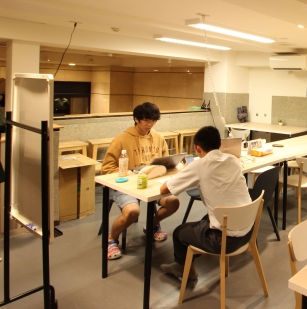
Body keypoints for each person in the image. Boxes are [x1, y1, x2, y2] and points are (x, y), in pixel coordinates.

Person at [159, 125, 252, 280]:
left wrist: (187, 170)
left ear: (197, 148)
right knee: (205, 219)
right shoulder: (233, 160)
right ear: (220, 144)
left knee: (179, 232)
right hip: (248, 231)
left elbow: (164, 189)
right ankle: (189, 259)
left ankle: (185, 270)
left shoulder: (198, 166)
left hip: (224, 241)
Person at [101, 102, 180, 260]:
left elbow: (166, 162)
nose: (149, 124)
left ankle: (152, 225)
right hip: (127, 185)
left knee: (173, 202)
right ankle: (112, 239)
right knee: (132, 212)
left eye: (153, 120)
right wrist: (128, 174)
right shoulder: (121, 140)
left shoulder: (158, 138)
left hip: (153, 184)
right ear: (136, 119)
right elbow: (106, 168)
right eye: (146, 120)